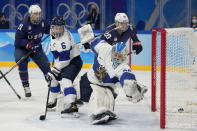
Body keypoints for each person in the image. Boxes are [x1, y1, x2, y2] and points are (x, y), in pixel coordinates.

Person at [76, 27, 147, 124]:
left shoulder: (123, 66)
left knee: (106, 97)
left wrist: (132, 87)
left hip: (108, 87)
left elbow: (126, 76)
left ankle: (101, 112)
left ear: (124, 57)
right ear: (112, 51)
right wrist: (86, 38)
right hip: (89, 80)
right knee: (78, 96)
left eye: (119, 56)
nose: (116, 57)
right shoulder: (105, 48)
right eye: (115, 54)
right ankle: (69, 101)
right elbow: (93, 41)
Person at [46, 16, 83, 117]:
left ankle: (72, 104)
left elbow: (65, 60)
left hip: (73, 62)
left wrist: (54, 69)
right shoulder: (53, 33)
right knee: (51, 77)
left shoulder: (64, 40)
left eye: (61, 28)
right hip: (63, 61)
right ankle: (55, 98)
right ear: (52, 27)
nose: (58, 31)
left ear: (64, 28)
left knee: (66, 80)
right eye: (56, 28)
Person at [14, 4, 51, 97]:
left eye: (39, 13)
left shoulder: (43, 22)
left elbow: (50, 30)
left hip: (36, 47)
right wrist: (28, 45)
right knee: (21, 61)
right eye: (35, 14)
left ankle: (52, 86)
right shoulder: (23, 25)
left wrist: (54, 30)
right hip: (22, 48)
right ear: (30, 15)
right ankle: (26, 86)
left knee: (46, 65)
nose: (38, 16)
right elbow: (17, 41)